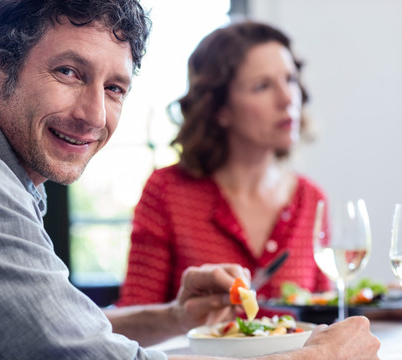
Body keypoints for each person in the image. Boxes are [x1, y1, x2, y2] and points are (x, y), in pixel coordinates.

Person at [0, 1, 379, 359]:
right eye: (68, 72)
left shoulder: (3, 172)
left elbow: (66, 329)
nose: (93, 114)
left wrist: (177, 315)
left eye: (114, 88)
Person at [118, 20, 331, 308]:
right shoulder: (167, 192)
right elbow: (134, 320)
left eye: (290, 80)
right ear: (219, 109)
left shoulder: (311, 199)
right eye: (262, 86)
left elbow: (325, 314)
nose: (287, 99)